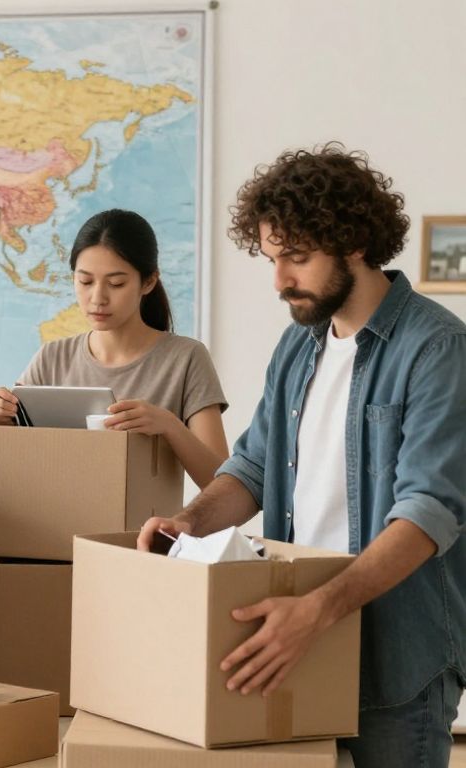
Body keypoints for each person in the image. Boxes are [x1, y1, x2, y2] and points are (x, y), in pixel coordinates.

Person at [136, 145, 465, 767]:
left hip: (394, 654)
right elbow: (254, 466)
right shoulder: (298, 346)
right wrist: (191, 524)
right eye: (272, 258)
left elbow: (428, 514)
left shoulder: (437, 348)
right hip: (298, 637)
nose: (281, 280)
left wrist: (317, 611)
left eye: (297, 257)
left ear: (356, 242)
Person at [0, 209, 229, 487]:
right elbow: (14, 464)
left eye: (116, 283)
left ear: (148, 281)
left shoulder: (186, 358)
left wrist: (169, 425)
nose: (97, 298)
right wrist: (0, 417)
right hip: (56, 526)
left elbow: (220, 484)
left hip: (145, 529)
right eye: (85, 281)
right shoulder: (51, 358)